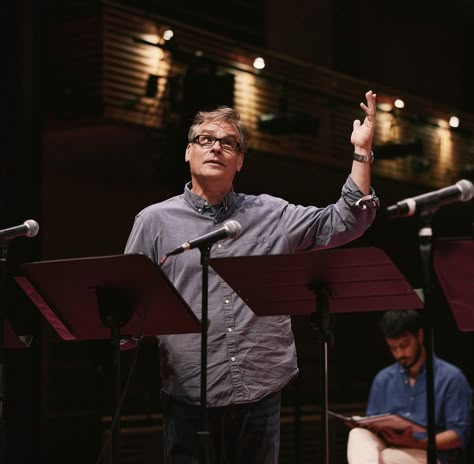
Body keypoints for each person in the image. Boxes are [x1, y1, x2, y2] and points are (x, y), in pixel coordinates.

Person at [125, 90, 379, 463]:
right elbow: (128, 298)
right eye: (205, 140)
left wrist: (361, 152)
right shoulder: (154, 221)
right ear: (188, 151)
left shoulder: (270, 213)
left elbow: (345, 220)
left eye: (228, 143)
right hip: (188, 390)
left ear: (239, 161)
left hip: (261, 385)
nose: (215, 148)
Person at [347, 309, 472, 464]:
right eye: (393, 348)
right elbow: (372, 426)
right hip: (390, 447)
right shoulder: (383, 379)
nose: (400, 354)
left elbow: (459, 435)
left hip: (430, 454)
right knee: (357, 434)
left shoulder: (451, 378)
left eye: (404, 345)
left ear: (419, 336)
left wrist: (416, 443)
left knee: (387, 458)